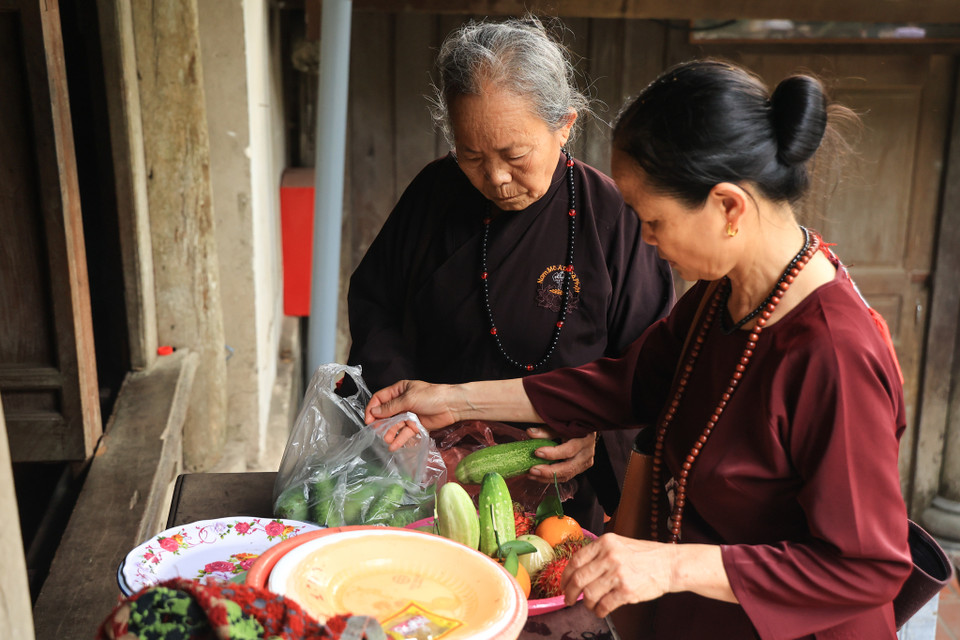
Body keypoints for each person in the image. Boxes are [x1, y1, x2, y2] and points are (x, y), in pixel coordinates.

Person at [363, 59, 912, 639]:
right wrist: (454, 400)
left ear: (729, 208)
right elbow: (625, 383)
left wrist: (671, 565)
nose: (645, 239)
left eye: (655, 220)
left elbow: (867, 567)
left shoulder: (835, 352)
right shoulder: (720, 298)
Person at [346, 17, 675, 533]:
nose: (496, 177)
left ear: (565, 125)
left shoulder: (611, 215)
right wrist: (403, 410)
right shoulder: (434, 194)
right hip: (430, 478)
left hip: (556, 492)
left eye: (515, 155)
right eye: (471, 155)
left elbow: (649, 367)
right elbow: (375, 304)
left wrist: (595, 433)